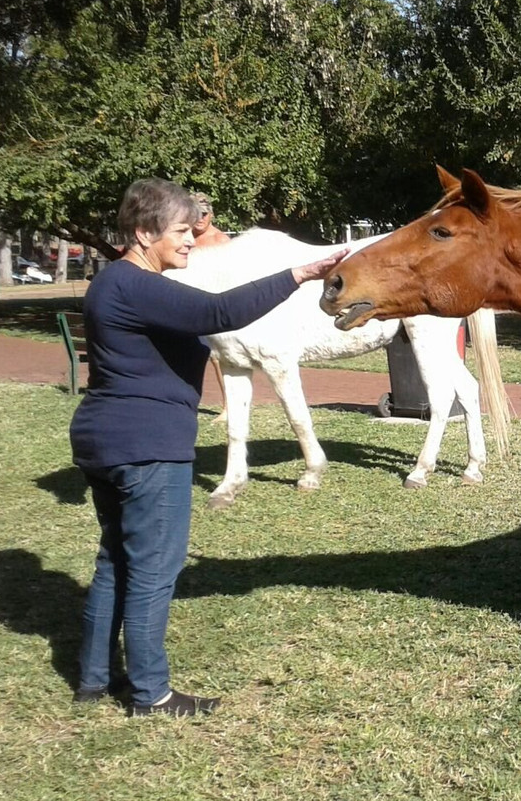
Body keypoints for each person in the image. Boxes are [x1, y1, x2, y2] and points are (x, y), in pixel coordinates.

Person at [69, 178, 345, 717]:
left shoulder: (111, 284)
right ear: (145, 233)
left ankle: (94, 679)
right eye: (180, 230)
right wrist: (300, 272)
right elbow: (219, 313)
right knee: (153, 568)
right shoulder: (137, 285)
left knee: (116, 560)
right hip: (147, 444)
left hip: (107, 438)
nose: (193, 239)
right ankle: (151, 693)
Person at [190, 192, 234, 421]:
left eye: (204, 214)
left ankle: (229, 406)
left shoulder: (221, 241)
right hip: (188, 304)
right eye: (195, 214)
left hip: (215, 305)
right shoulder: (184, 238)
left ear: (212, 214)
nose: (200, 219)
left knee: (219, 357)